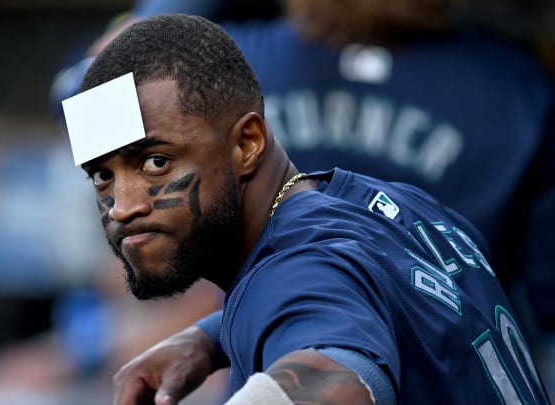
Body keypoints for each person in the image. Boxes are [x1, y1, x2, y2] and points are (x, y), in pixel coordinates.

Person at [62, 13, 551, 404]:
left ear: (248, 143)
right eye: (102, 175)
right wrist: (211, 339)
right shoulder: (396, 203)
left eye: (155, 162)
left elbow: (336, 385)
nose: (122, 206)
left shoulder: (298, 272)